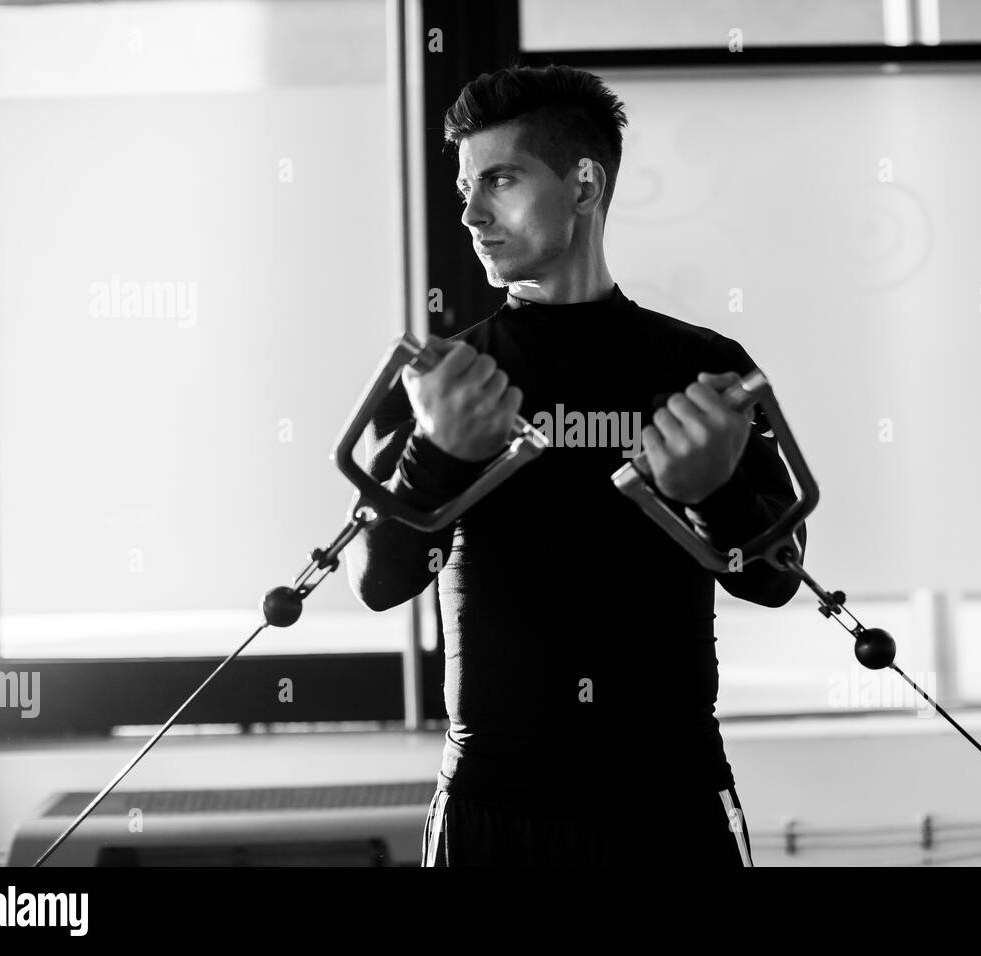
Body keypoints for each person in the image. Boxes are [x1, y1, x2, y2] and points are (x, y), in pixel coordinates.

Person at [345, 64, 804, 866]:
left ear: (583, 184)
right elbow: (378, 581)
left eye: (500, 179)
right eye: (466, 187)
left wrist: (718, 493)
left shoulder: (702, 367)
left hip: (670, 809)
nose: (471, 212)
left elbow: (771, 577)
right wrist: (436, 455)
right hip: (493, 808)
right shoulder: (448, 377)